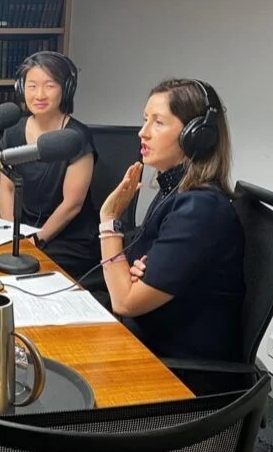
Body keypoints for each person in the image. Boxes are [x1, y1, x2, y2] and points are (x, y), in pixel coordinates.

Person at [98, 78, 245, 364]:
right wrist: (132, 270)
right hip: (146, 339)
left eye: (158, 123)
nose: (143, 132)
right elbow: (128, 272)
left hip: (177, 369)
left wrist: (109, 220)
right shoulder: (174, 192)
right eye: (145, 120)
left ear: (197, 135)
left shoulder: (200, 210)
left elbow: (125, 302)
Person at [0, 51, 100, 277]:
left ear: (66, 89)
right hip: (23, 231)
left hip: (67, 238)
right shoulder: (13, 132)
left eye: (50, 86)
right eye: (32, 86)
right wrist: (8, 233)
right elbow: (7, 188)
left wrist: (36, 239)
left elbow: (73, 203)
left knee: (28, 273)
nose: (39, 95)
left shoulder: (76, 137)